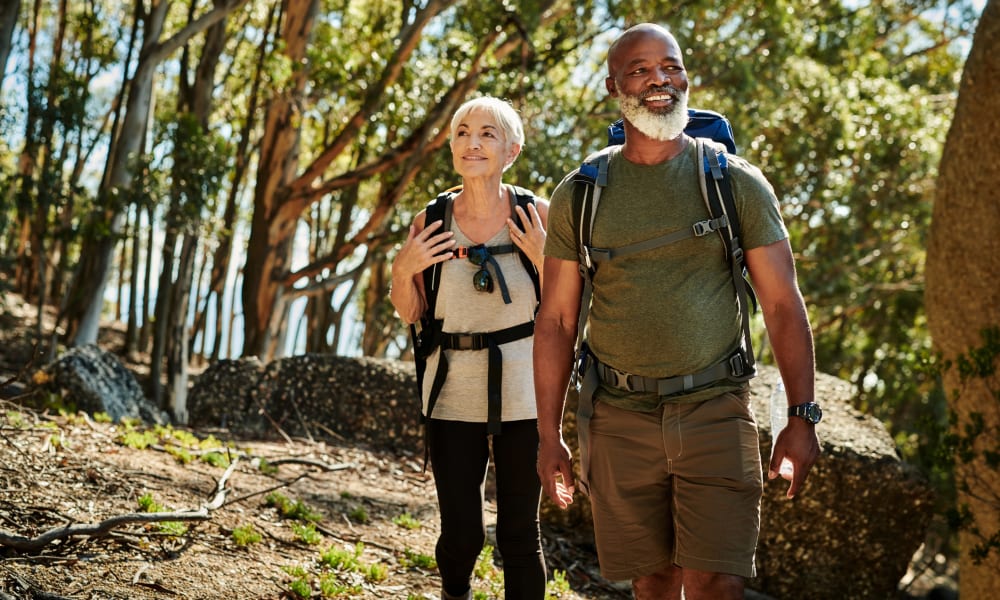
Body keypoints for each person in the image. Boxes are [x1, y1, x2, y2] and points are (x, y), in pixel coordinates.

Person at [533, 23, 821, 600]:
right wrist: (548, 435)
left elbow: (783, 302)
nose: (660, 79)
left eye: (671, 65)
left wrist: (802, 415)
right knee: (653, 582)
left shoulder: (733, 181)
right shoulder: (581, 193)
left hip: (716, 408)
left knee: (718, 581)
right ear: (615, 87)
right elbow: (558, 320)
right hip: (617, 416)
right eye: (640, 69)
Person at [390, 96, 550, 600]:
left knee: (520, 534)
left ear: (512, 150)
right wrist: (402, 268)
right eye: (462, 132)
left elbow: (569, 309)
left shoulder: (537, 214)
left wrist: (546, 258)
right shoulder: (432, 219)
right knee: (461, 534)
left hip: (526, 395)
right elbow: (412, 312)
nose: (472, 142)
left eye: (487, 133)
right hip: (451, 391)